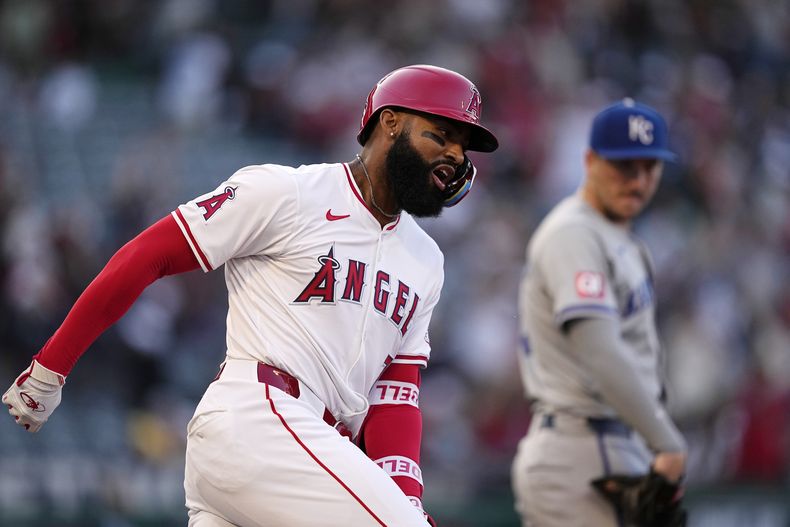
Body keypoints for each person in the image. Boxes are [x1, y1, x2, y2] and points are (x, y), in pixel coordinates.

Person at [3, 64, 498, 527]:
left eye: (464, 145)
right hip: (258, 418)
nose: (456, 154)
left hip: (309, 454)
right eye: (442, 134)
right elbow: (145, 256)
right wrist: (51, 368)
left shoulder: (426, 261)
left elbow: (395, 397)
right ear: (390, 123)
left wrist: (403, 499)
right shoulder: (289, 193)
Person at [511, 99, 687, 526]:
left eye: (650, 167)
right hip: (579, 448)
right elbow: (598, 349)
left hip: (616, 445)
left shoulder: (621, 238)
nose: (639, 180)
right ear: (590, 160)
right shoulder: (574, 232)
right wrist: (668, 444)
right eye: (625, 166)